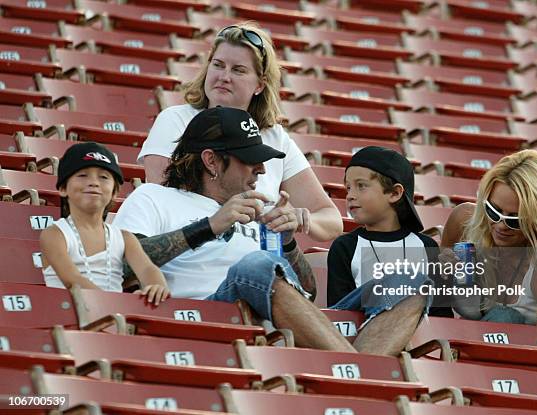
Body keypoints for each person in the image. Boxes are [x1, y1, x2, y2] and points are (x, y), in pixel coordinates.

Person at [113, 107, 356, 352]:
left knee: (392, 287)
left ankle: (372, 376)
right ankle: (353, 368)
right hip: (194, 320)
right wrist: (209, 226)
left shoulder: (257, 211)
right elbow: (117, 266)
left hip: (263, 332)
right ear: (211, 161)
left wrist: (288, 243)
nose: (261, 169)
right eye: (250, 159)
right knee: (255, 265)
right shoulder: (152, 197)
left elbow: (307, 295)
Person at [138, 22, 341, 242]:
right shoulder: (176, 120)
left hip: (256, 255)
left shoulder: (275, 138)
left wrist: (299, 218)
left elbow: (331, 220)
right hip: (192, 252)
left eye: (238, 70)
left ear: (260, 85)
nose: (224, 76)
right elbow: (160, 198)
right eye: (218, 65)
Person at [441, 149, 537, 328]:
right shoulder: (464, 222)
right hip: (483, 337)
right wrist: (446, 275)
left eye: (515, 220)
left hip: (536, 344)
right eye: (493, 210)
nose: (500, 225)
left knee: (506, 317)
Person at [326, 147, 449, 356]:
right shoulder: (344, 246)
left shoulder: (426, 246)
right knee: (405, 281)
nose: (350, 196)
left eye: (361, 186)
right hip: (358, 336)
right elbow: (340, 318)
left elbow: (440, 319)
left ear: (394, 193)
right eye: (348, 188)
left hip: (414, 345)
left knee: (410, 282)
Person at [40, 142, 170, 305]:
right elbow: (73, 279)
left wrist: (157, 286)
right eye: (82, 175)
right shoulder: (55, 234)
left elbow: (147, 268)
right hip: (69, 319)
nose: (94, 182)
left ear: (115, 192)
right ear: (63, 188)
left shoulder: (124, 238)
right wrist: (114, 305)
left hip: (114, 320)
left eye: (103, 177)